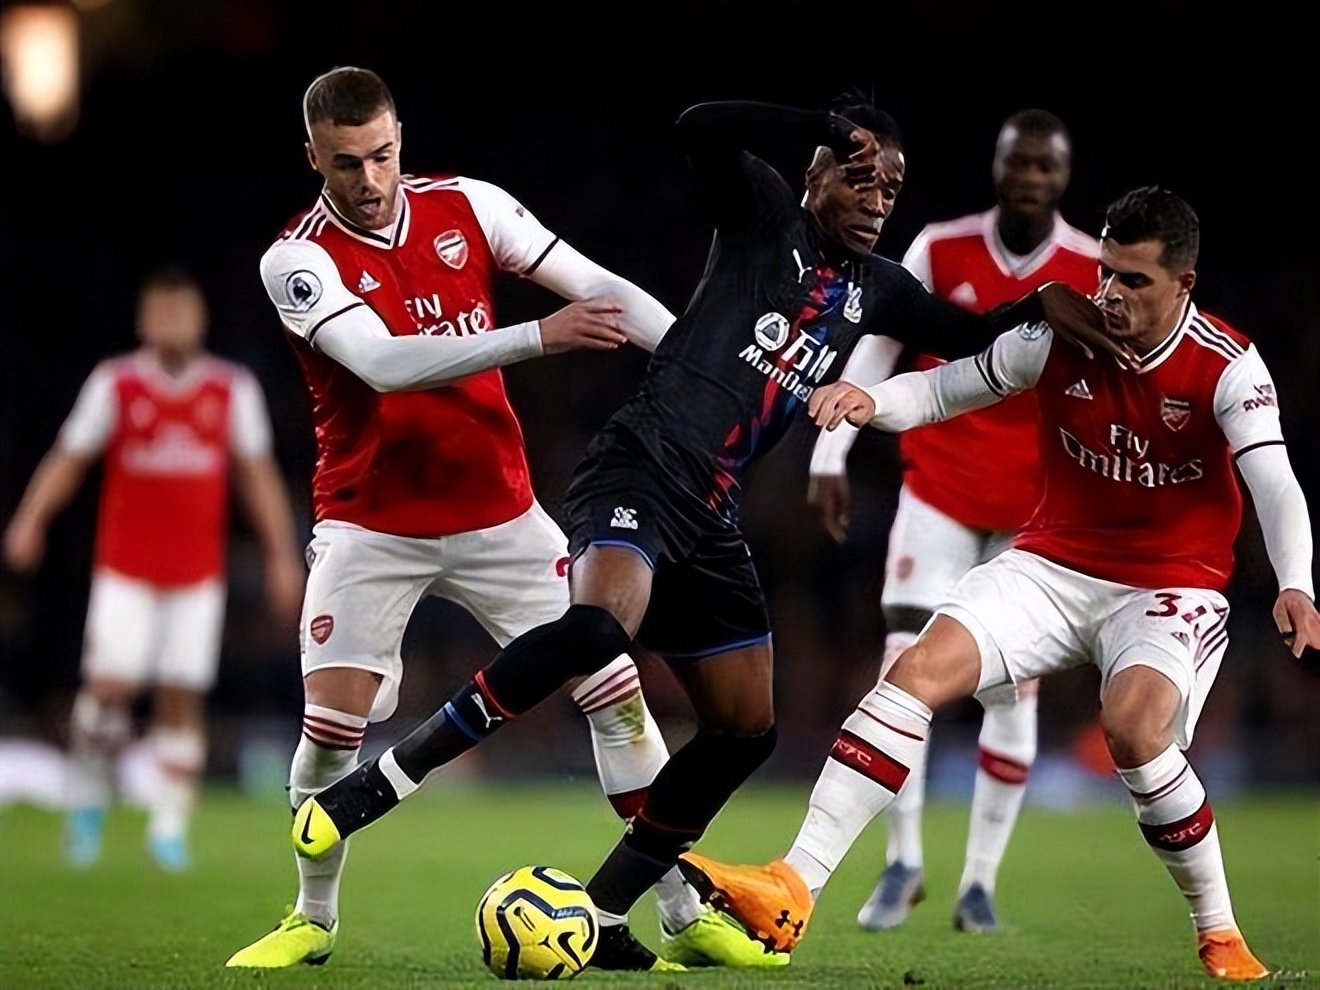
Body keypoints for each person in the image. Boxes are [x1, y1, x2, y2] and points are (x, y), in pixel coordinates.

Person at [286, 95, 1121, 972]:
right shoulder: (764, 215)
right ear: (817, 175)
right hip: (640, 464)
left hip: (711, 514)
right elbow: (698, 126)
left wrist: (1041, 302)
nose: (878, 199)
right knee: (599, 631)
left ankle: (604, 910)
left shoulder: (879, 289)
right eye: (861, 178)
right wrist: (819, 123)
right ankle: (379, 783)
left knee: (746, 728)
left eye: (892, 187)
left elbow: (971, 333)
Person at [678, 186, 1319, 983]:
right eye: (1106, 273)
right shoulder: (1061, 337)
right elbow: (947, 388)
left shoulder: (1227, 364)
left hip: (1169, 586)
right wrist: (870, 398)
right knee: (913, 672)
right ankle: (792, 886)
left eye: (1135, 281)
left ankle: (1219, 933)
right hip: (1049, 565)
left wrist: (1296, 582)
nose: (1111, 294)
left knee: (1133, 731)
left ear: (1183, 283)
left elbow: (1275, 483)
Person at [224, 66, 767, 971]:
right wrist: (539, 336)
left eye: (382, 156)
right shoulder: (296, 260)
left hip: (503, 518)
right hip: (370, 525)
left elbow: (601, 287)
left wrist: (707, 375)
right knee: (330, 734)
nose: (369, 179)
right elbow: (384, 363)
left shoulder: (469, 205)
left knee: (620, 701)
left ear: (401, 137)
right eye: (347, 163)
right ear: (313, 156)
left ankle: (679, 912)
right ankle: (312, 918)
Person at [806, 108, 1099, 933]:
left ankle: (978, 883)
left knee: (1010, 687)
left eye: (1044, 166)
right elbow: (878, 344)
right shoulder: (940, 246)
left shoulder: (1088, 267)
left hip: (1034, 511)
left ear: (1062, 177)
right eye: (1018, 163)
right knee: (903, 664)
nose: (1029, 178)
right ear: (997, 167)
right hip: (938, 488)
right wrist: (831, 452)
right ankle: (902, 863)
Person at [2, 264, 306, 872]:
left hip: (196, 577)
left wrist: (280, 555)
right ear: (144, 321)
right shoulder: (115, 384)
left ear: (201, 320)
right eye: (163, 312)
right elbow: (69, 457)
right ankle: (87, 805)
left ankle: (169, 827)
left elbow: (257, 476)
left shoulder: (230, 388)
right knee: (108, 689)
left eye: (183, 312)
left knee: (180, 697)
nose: (173, 323)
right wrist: (29, 519)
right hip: (126, 571)